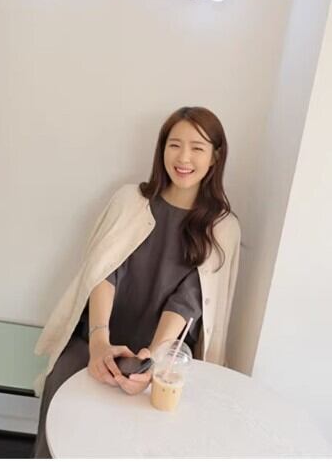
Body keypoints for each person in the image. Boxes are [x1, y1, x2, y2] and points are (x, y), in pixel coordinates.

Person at [32, 106, 242, 458]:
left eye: (197, 148)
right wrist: (100, 342)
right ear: (162, 149)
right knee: (62, 407)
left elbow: (187, 302)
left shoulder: (222, 227)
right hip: (93, 337)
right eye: (174, 145)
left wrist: (151, 361)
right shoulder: (129, 200)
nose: (184, 158)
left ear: (215, 156)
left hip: (161, 357)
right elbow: (102, 271)